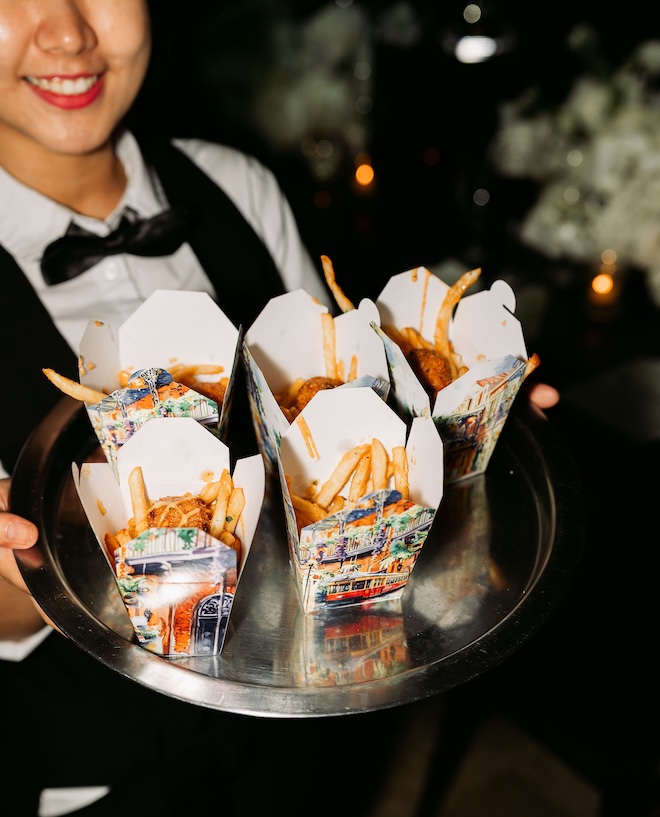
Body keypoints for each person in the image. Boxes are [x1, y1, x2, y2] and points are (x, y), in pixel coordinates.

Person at [0, 2, 559, 815]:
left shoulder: (238, 186)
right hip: (100, 774)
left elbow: (339, 427)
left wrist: (461, 437)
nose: (66, 33)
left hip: (300, 722)